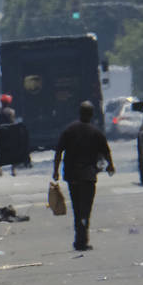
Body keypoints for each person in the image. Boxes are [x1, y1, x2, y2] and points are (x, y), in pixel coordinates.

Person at [53, 101, 114, 251]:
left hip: (72, 175)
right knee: (86, 209)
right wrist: (111, 165)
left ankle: (79, 239)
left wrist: (55, 171)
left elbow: (59, 151)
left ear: (79, 113)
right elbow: (106, 152)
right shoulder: (95, 132)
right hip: (88, 177)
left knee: (77, 208)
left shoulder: (69, 130)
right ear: (92, 114)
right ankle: (82, 239)